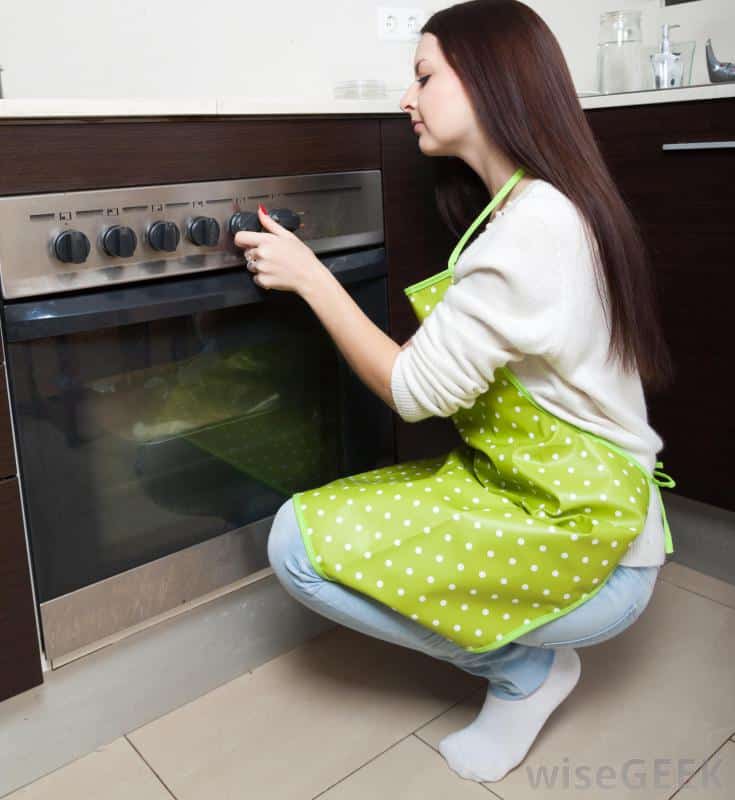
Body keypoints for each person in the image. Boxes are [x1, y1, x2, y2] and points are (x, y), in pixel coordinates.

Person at [238, 0, 676, 785]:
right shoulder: (524, 206)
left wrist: (312, 278)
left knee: (294, 547)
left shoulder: (532, 229)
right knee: (318, 529)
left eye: (422, 76)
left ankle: (526, 674)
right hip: (544, 493)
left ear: (488, 81)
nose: (407, 98)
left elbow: (410, 391)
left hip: (593, 544)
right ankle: (527, 661)